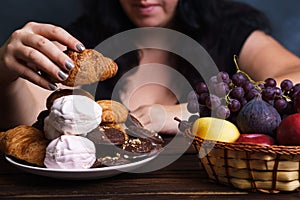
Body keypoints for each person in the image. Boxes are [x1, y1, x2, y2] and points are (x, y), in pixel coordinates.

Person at [0, 0, 300, 134]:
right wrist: (6, 78)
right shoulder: (83, 43)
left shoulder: (228, 28)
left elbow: (295, 79)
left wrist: (182, 113)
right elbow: (29, 122)